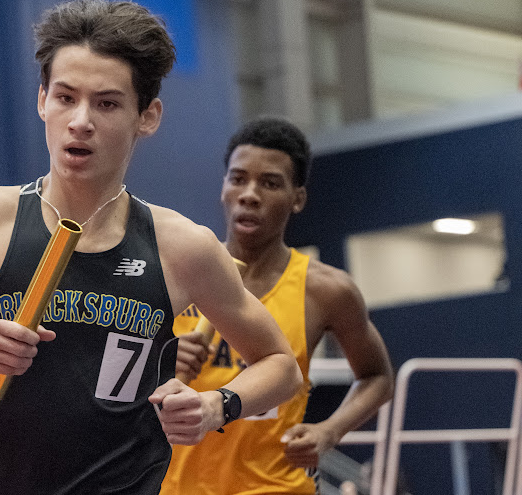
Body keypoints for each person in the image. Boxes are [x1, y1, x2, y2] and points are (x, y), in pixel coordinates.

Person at [0, 0, 301, 495]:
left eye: (106, 103)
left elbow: (280, 365)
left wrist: (218, 405)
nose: (80, 120)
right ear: (42, 100)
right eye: (65, 97)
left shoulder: (183, 246)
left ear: (147, 116)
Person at [160, 117, 394, 494]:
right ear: (223, 188)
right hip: (176, 486)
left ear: (297, 198)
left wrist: (328, 431)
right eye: (238, 178)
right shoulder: (176, 272)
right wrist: (160, 362)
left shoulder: (326, 290)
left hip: (274, 485)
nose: (249, 194)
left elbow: (378, 377)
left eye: (269, 183)